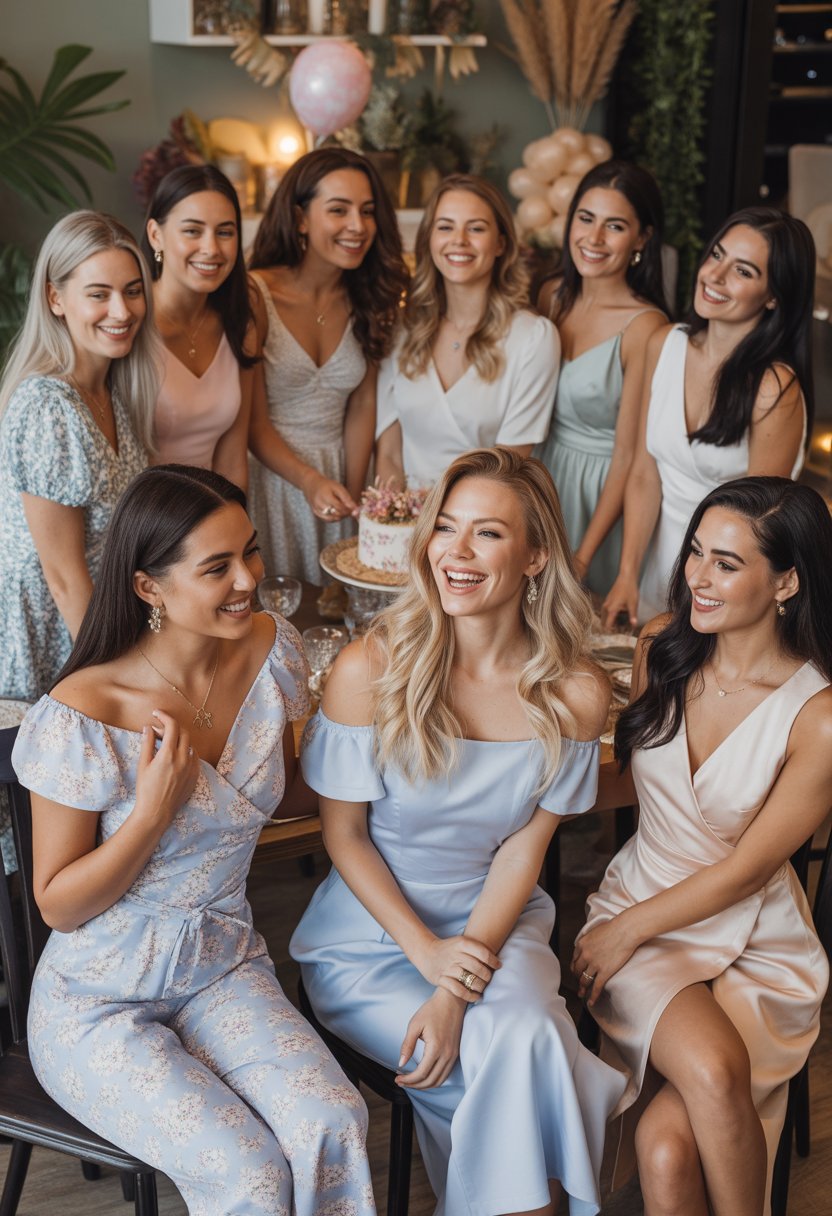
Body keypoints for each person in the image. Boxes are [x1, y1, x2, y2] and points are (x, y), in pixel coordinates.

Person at [11, 464, 376, 1216]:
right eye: (218, 567)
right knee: (249, 1173)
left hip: (222, 968)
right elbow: (57, 906)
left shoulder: (271, 650)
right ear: (150, 588)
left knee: (332, 1120)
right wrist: (151, 813)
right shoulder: (84, 713)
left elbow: (296, 790)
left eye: (249, 551)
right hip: (97, 1001)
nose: (248, 579)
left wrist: (388, 742)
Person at [291, 447, 627, 1216]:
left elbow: (524, 849)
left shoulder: (574, 692)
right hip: (371, 941)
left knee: (523, 1045)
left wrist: (452, 989)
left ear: (536, 555)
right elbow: (343, 838)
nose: (457, 553)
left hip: (497, 926)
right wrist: (429, 960)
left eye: (488, 534)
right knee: (530, 1063)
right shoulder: (368, 669)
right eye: (445, 529)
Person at [574, 477, 832, 1215]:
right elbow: (637, 785)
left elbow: (750, 869)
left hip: (753, 936)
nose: (697, 576)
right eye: (696, 552)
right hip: (644, 900)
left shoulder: (816, 715)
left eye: (726, 563)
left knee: (665, 1145)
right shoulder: (663, 646)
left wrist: (625, 931)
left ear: (786, 581)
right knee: (715, 1075)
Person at [603, 206, 814, 627]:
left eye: (743, 271)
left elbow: (760, 527)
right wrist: (627, 573)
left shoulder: (774, 388)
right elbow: (645, 472)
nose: (714, 276)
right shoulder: (665, 343)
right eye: (716, 255)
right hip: (656, 560)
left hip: (727, 581)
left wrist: (700, 590)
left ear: (774, 295)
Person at [0, 210, 155, 702]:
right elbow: (65, 578)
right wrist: (119, 678)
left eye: (132, 291)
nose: (122, 310)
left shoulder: (108, 387)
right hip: (47, 639)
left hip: (93, 619)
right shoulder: (49, 404)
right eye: (99, 294)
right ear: (55, 298)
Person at [247, 147, 408, 582]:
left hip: (342, 472)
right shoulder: (254, 295)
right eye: (338, 210)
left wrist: (354, 500)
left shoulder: (370, 299)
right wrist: (308, 481)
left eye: (368, 211)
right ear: (300, 218)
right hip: (272, 478)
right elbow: (252, 423)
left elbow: (361, 406)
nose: (358, 226)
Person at [374, 174, 560, 489]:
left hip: (483, 522)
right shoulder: (403, 330)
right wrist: (394, 522)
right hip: (404, 525)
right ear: (428, 240)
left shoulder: (533, 338)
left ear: (501, 243)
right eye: (445, 227)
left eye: (476, 228)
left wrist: (441, 527)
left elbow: (508, 470)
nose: (459, 240)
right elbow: (390, 454)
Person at [536, 160, 668, 598]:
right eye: (585, 219)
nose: (593, 239)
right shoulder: (551, 296)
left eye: (614, 226)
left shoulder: (645, 326)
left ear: (642, 238)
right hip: (540, 479)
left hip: (601, 497)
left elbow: (629, 454)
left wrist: (583, 555)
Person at [143, 164, 258, 490]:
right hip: (143, 521)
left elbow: (232, 458)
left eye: (225, 232)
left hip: (211, 517)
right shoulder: (128, 321)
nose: (211, 249)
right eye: (193, 231)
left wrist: (238, 535)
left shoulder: (240, 321)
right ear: (156, 235)